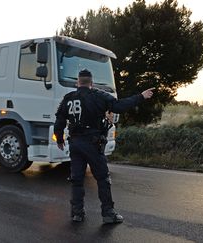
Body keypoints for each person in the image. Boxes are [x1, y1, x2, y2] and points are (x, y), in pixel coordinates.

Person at [54, 69, 154, 224]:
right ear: (91, 83)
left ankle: (77, 213)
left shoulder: (68, 98)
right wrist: (140, 96)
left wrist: (59, 139)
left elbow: (59, 120)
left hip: (75, 144)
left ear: (77, 83)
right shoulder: (98, 96)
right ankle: (108, 214)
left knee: (77, 179)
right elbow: (119, 106)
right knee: (102, 178)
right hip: (93, 144)